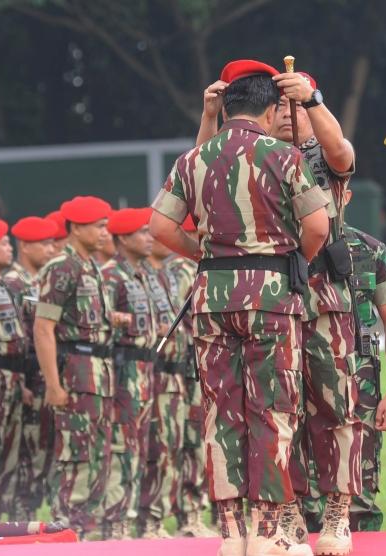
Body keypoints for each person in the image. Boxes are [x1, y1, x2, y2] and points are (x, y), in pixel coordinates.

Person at [150, 59, 329, 556]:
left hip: (211, 299)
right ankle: (270, 532)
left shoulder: (193, 159)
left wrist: (207, 255)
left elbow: (161, 228)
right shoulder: (284, 156)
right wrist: (288, 262)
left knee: (221, 414)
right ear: (272, 111)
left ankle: (231, 534)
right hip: (271, 299)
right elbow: (318, 227)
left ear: (226, 108)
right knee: (272, 411)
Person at [199, 66, 361, 554]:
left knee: (335, 409)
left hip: (320, 298)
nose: (287, 115)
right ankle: (285, 518)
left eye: (296, 105)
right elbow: (204, 165)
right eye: (281, 104)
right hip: (264, 298)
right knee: (270, 414)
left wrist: (311, 100)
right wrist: (211, 114)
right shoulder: (255, 154)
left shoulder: (314, 155)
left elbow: (343, 154)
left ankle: (337, 516)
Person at [301, 185, 386, 532]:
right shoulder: (290, 249)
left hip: (361, 381)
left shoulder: (370, 250)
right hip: (303, 377)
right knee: (304, 491)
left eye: (330, 194)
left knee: (360, 488)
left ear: (345, 196)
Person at [33, 196, 117, 538]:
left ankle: (88, 530)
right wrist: (53, 384)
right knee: (77, 454)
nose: (104, 232)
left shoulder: (91, 266)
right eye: (98, 226)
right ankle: (66, 530)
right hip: (75, 370)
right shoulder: (61, 267)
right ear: (77, 228)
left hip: (98, 371)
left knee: (99, 454)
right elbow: (43, 328)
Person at [100, 208, 158, 539]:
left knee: (140, 446)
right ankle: (116, 521)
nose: (149, 238)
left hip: (145, 368)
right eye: (142, 233)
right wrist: (116, 318)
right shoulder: (111, 275)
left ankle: (132, 515)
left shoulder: (142, 274)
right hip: (123, 369)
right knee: (123, 445)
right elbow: (97, 318)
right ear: (123, 238)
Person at [4, 217, 59, 521]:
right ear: (25, 246)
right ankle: (19, 517)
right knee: (25, 453)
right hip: (26, 379)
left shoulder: (40, 283)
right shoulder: (14, 283)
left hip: (42, 377)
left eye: (53, 242)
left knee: (42, 453)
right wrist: (22, 382)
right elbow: (15, 338)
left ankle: (33, 515)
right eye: (45, 243)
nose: (51, 249)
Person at [165, 216, 216, 538]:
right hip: (187, 367)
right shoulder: (182, 270)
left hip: (202, 365)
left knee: (204, 444)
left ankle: (202, 513)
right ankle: (190, 516)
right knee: (191, 445)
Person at [137, 233, 190, 538]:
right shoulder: (142, 275)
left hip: (175, 373)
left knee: (172, 448)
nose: (148, 239)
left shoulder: (164, 276)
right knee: (153, 449)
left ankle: (161, 517)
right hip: (151, 373)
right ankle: (148, 520)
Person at [0, 220, 29, 520]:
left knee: (9, 455)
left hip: (11, 378)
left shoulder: (2, 285)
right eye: (2, 243)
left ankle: (1, 520)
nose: (9, 248)